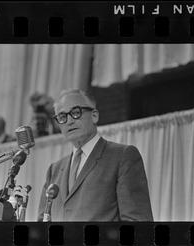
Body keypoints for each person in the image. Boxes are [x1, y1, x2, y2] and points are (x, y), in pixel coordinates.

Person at [37, 89, 154, 222]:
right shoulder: (55, 169)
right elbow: (42, 227)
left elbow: (137, 224)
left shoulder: (123, 156)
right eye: (62, 117)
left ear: (94, 116)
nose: (69, 121)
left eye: (75, 113)